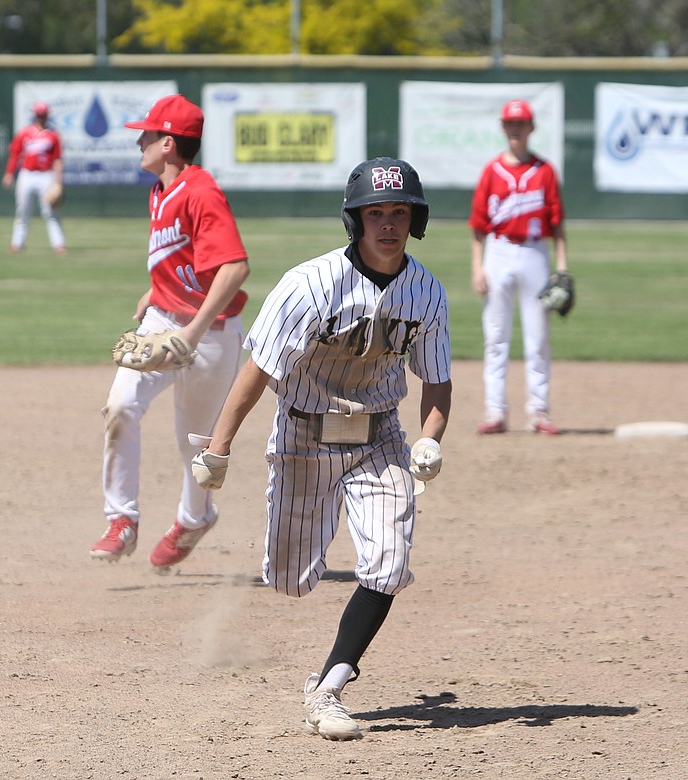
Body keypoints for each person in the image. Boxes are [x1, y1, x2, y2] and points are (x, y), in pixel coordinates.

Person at [189, 156, 451, 740]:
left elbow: (436, 383)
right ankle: (300, 561)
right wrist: (220, 446)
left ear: (416, 220)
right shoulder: (311, 284)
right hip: (305, 435)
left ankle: (328, 685)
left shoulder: (427, 293)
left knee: (388, 564)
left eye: (399, 212)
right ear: (354, 220)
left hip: (379, 435)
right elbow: (259, 367)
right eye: (375, 213)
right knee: (289, 580)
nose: (387, 224)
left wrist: (430, 439)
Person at [89, 93, 251, 568]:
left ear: (168, 143)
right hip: (164, 320)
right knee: (120, 405)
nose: (139, 141)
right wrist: (153, 293)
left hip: (212, 331)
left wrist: (194, 332)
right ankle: (121, 518)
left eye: (146, 134)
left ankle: (194, 518)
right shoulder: (160, 191)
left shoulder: (201, 191)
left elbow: (235, 268)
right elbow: (177, 261)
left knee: (197, 446)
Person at [469, 98, 569, 436]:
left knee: (538, 337)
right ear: (503, 127)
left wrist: (562, 267)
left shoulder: (545, 172)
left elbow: (557, 225)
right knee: (495, 337)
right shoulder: (491, 171)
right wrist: (477, 266)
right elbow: (479, 225)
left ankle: (539, 411)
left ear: (531, 127)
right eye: (510, 123)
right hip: (498, 252)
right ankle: (495, 411)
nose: (515, 129)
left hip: (535, 254)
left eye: (521, 123)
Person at [2, 101, 67, 254]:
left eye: (43, 115)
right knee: (22, 211)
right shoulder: (24, 133)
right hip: (27, 174)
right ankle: (17, 243)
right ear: (35, 115)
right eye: (39, 115)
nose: (41, 118)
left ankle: (59, 244)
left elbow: (57, 159)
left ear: (47, 115)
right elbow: (14, 154)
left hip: (46, 175)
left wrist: (58, 182)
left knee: (51, 212)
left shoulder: (53, 135)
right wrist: (9, 173)